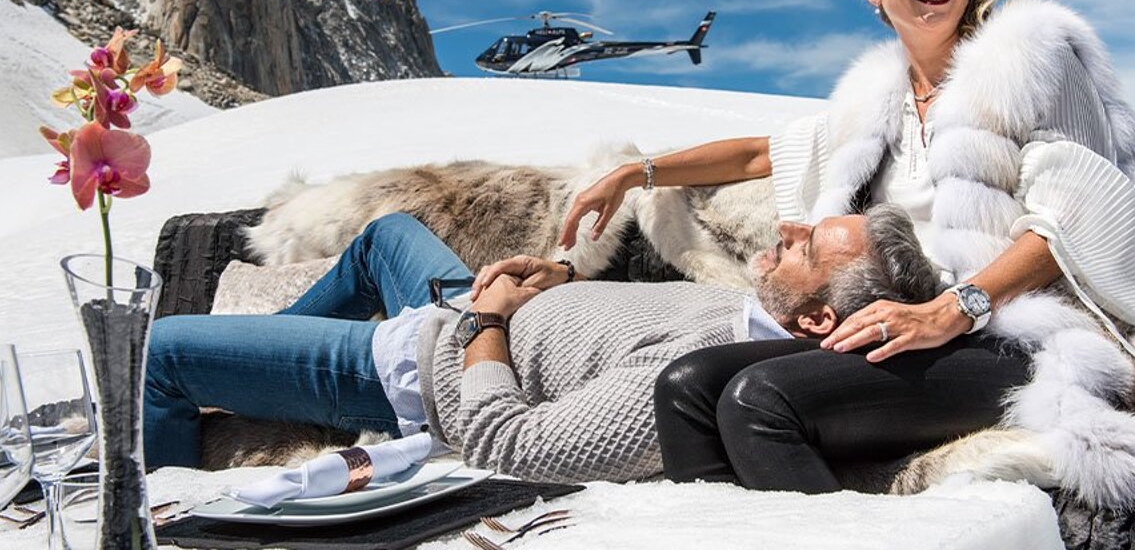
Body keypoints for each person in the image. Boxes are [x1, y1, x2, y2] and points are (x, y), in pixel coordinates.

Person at [562, 0, 1135, 496]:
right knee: (685, 386)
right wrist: (632, 173)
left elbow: (1071, 222)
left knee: (760, 399)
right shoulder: (875, 98)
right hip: (915, 328)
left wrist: (954, 309)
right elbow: (763, 152)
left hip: (1022, 332)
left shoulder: (1032, 61)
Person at [144, 204, 938, 482]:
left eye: (806, 248)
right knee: (386, 235)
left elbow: (508, 442)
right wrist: (554, 281)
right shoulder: (749, 309)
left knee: (164, 353)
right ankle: (265, 350)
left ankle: (162, 497)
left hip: (420, 366)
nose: (787, 228)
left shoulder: (694, 379)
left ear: (818, 323)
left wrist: (489, 320)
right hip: (470, 308)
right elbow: (602, 328)